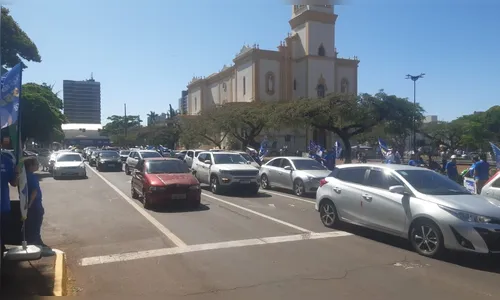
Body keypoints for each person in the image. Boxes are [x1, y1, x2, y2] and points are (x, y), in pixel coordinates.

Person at [24, 157, 46, 247]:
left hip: (30, 204)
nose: (38, 166)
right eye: (36, 164)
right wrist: (29, 205)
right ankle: (35, 242)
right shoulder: (32, 177)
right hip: (34, 204)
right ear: (30, 166)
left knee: (33, 223)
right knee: (36, 222)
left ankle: (36, 240)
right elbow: (34, 191)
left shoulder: (25, 176)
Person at [0, 150, 18, 257]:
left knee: (3, 232)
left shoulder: (7, 161)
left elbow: (14, 183)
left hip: (3, 206)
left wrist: (16, 173)